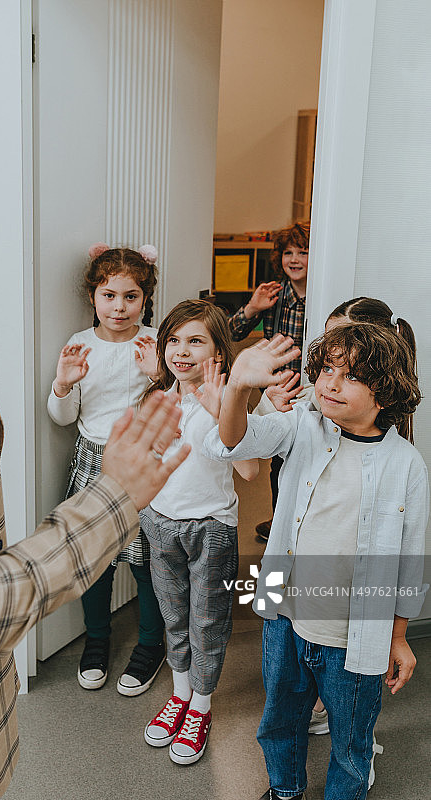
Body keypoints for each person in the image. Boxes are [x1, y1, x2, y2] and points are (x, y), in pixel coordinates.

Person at [0, 50, 190, 800]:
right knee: (111, 572)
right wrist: (111, 491)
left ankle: (146, 647)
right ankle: (99, 641)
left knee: (147, 573)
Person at [207, 327, 428, 800]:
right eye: (327, 369)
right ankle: (285, 790)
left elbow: (411, 559)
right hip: (283, 614)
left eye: (350, 376)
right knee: (279, 720)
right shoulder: (302, 426)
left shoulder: (406, 464)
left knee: (352, 742)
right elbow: (233, 441)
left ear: (384, 390)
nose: (330, 383)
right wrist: (238, 386)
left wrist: (399, 636)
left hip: (352, 632)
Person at [139, 300, 259, 765]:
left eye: (196, 341)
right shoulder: (156, 397)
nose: (182, 351)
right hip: (159, 522)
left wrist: (220, 409)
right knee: (173, 615)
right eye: (173, 340)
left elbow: (249, 470)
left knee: (206, 622)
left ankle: (201, 708)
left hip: (210, 527)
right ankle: (179, 695)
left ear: (217, 352)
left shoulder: (229, 397)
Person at [47, 243, 166, 696]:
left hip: (143, 462)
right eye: (109, 295)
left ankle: (150, 644)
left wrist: (160, 376)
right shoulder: (80, 345)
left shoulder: (156, 342)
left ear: (145, 298)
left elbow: (180, 412)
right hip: (93, 462)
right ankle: (96, 639)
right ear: (93, 297)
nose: (119, 306)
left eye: (130, 296)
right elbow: (62, 416)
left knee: (146, 561)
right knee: (95, 562)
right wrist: (63, 383)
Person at [228, 222, 309, 541]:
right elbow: (232, 333)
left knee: (307, 457)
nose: (295, 259)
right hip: (276, 396)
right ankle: (280, 523)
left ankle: (301, 526)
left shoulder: (323, 291)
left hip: (310, 394)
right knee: (278, 462)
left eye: (303, 252)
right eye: (288, 252)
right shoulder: (274, 295)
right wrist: (252, 307)